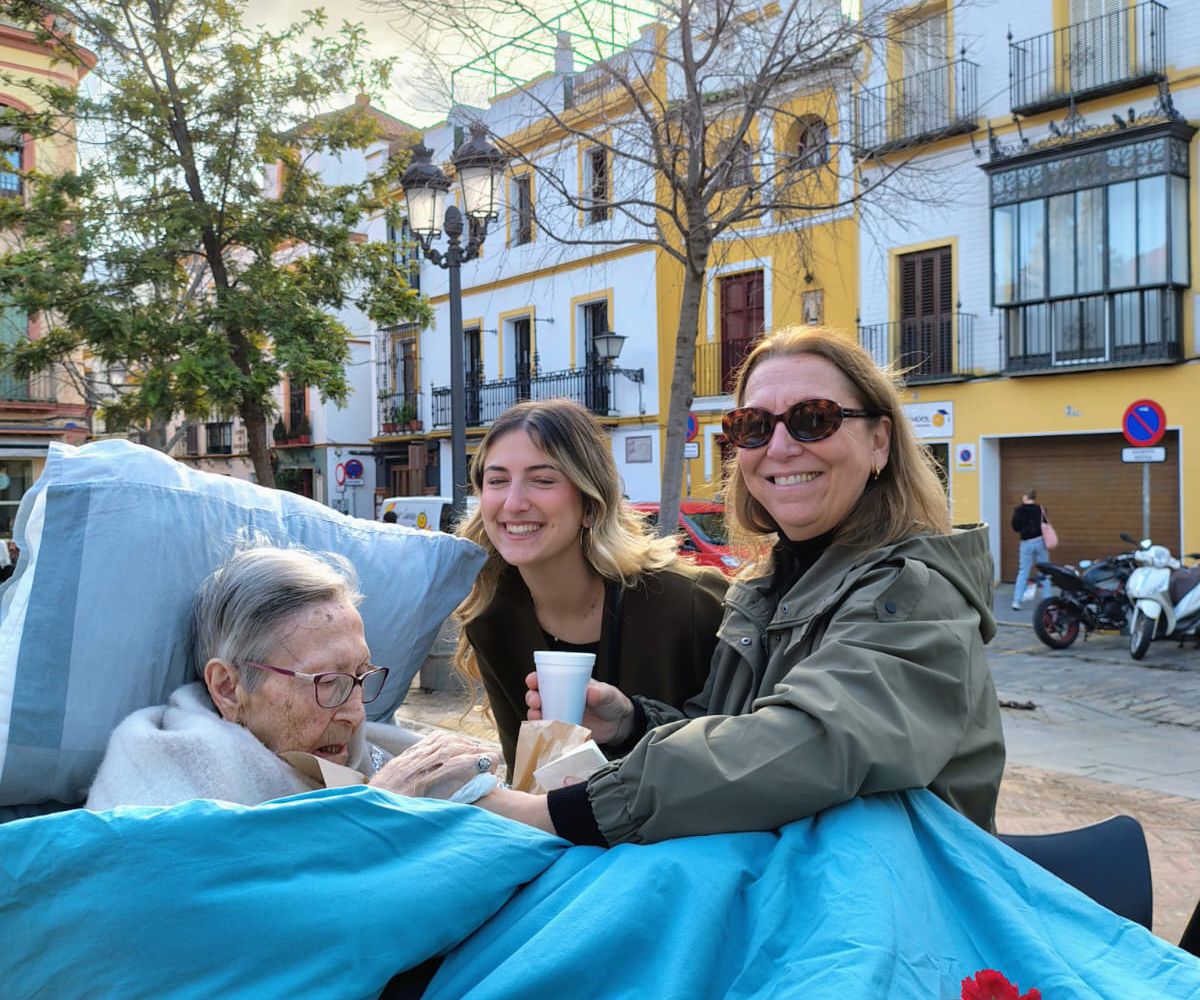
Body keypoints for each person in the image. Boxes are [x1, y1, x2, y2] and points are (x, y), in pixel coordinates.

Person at [378, 327, 1005, 845]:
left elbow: (810, 744)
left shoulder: (912, 592)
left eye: (812, 420)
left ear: (879, 441)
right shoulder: (768, 590)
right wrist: (630, 724)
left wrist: (562, 813)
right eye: (754, 425)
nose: (780, 446)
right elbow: (724, 728)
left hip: (894, 896)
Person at [86, 545, 495, 810]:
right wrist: (378, 809)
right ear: (228, 688)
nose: (355, 714)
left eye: (359, 676)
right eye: (326, 682)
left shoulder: (379, 757)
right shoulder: (161, 774)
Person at [452, 398, 728, 773]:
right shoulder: (491, 617)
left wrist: (633, 725)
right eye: (497, 481)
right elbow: (528, 776)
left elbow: (740, 753)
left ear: (591, 505)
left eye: (542, 480)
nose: (513, 503)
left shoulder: (691, 603)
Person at [1010, 490, 1052, 611]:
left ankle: (1016, 601)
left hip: (1026, 544)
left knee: (1023, 571)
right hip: (1040, 542)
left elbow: (1015, 527)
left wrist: (1024, 527)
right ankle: (1048, 601)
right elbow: (1045, 524)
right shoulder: (1040, 509)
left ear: (1025, 497)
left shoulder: (1018, 510)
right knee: (1045, 571)